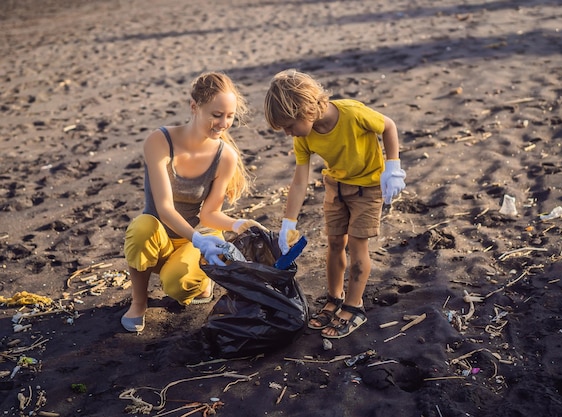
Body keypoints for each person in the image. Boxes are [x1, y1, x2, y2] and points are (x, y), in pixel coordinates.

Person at [263, 69, 406, 339]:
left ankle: (355, 307)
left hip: (367, 188)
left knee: (357, 245)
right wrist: (288, 224)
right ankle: (334, 298)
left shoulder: (352, 113)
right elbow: (299, 181)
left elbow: (388, 126)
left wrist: (393, 167)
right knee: (335, 243)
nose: (287, 133)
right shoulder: (303, 137)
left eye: (289, 125)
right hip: (335, 187)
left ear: (305, 108)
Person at [121, 71, 265, 333]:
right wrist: (199, 239)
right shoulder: (160, 141)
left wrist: (239, 224)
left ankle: (201, 283)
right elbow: (164, 207)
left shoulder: (225, 156)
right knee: (141, 228)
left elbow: (210, 214)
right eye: (216, 114)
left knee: (177, 285)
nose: (223, 123)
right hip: (159, 235)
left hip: (193, 239)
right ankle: (139, 302)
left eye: (230, 116)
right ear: (194, 107)